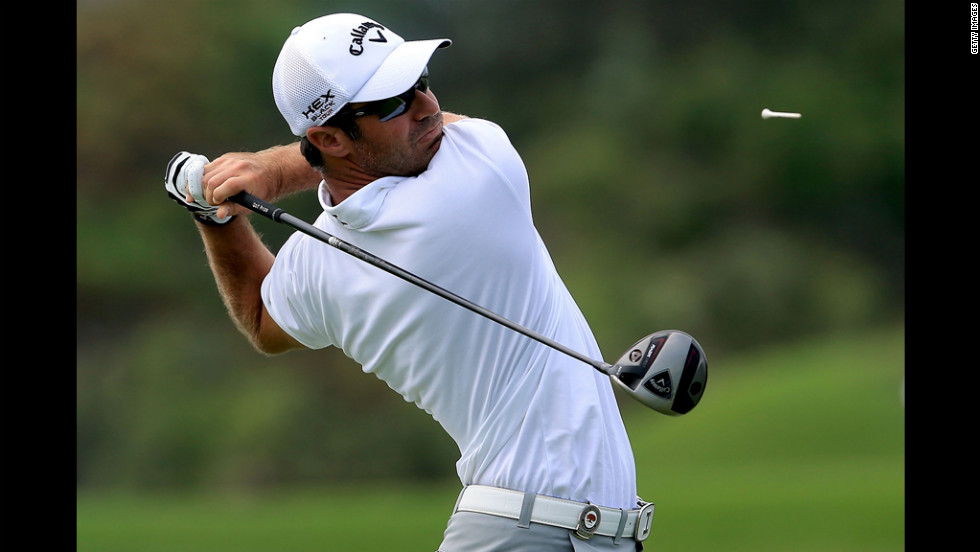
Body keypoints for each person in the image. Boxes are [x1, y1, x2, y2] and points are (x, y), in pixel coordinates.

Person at [164, 12, 652, 551]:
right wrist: (272, 171)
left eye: (419, 82)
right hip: (531, 530)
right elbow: (452, 126)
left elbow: (259, 316)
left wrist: (214, 216)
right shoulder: (480, 168)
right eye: (397, 102)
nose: (428, 106)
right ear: (329, 135)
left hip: (529, 526)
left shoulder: (316, 262)